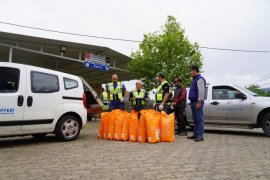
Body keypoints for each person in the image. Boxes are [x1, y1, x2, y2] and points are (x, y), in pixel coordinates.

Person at [187, 65, 206, 142]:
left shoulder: (200, 79)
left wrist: (199, 102)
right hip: (193, 102)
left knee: (199, 119)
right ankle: (195, 134)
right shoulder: (194, 79)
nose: (190, 73)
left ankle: (200, 135)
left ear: (194, 70)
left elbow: (201, 91)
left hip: (197, 102)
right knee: (195, 119)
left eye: (191, 71)